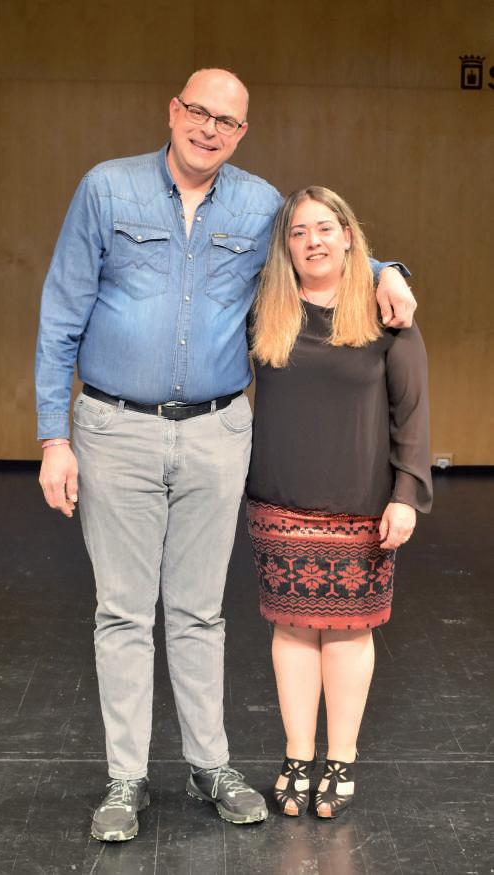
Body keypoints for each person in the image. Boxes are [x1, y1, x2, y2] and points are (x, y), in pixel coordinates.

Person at [35, 69, 417, 841]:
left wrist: (389, 273)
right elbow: (60, 312)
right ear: (173, 111)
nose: (209, 129)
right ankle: (126, 778)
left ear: (241, 133)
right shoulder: (106, 189)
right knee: (122, 611)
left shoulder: (260, 205)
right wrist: (53, 438)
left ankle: (209, 765)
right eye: (199, 112)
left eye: (227, 121)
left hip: (216, 433)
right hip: (115, 428)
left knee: (199, 611)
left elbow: (320, 245)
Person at [246, 185, 432, 820]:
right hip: (279, 500)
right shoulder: (265, 309)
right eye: (298, 232)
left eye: (325, 228)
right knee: (293, 630)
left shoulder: (386, 312)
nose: (313, 242)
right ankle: (298, 757)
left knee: (350, 636)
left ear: (349, 236)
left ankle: (341, 760)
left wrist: (406, 495)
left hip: (361, 506)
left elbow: (412, 412)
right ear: (286, 245)